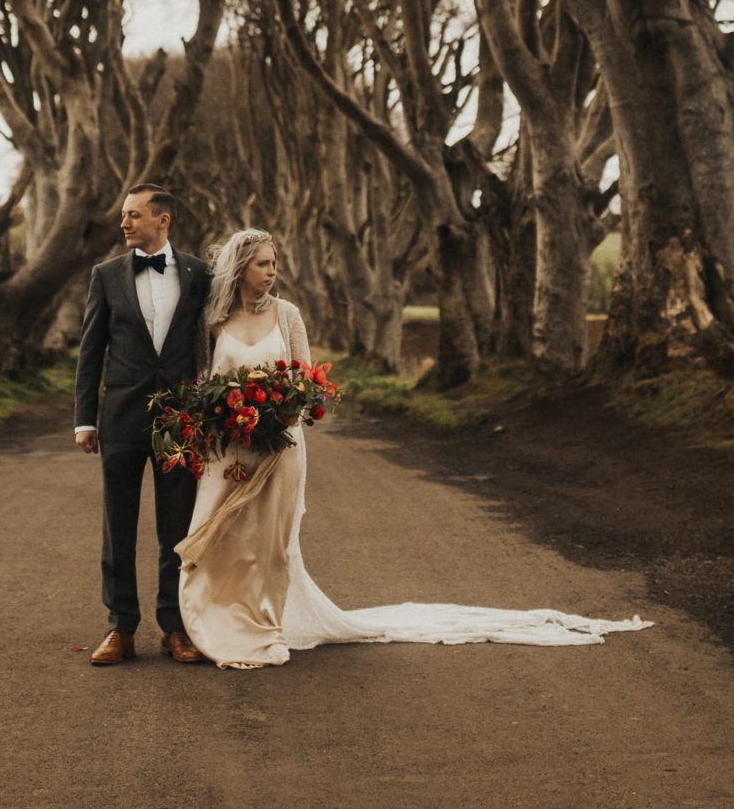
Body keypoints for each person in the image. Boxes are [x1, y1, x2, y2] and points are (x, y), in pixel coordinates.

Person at [176, 228, 653, 669]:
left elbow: (305, 382)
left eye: (275, 263)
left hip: (280, 445)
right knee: (225, 539)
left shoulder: (288, 314)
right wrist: (221, 420)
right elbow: (203, 383)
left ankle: (263, 629)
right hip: (230, 450)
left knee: (270, 545)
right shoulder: (214, 321)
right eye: (264, 264)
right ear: (240, 269)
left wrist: (279, 412)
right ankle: (216, 624)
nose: (273, 272)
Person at [72, 183, 210, 665]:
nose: (124, 223)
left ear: (162, 219)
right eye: (123, 216)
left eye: (133, 215)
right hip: (122, 418)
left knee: (177, 526)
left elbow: (211, 342)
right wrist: (84, 419)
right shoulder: (106, 275)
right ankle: (120, 628)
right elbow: (91, 351)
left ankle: (175, 627)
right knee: (119, 525)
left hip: (180, 420)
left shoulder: (199, 275)